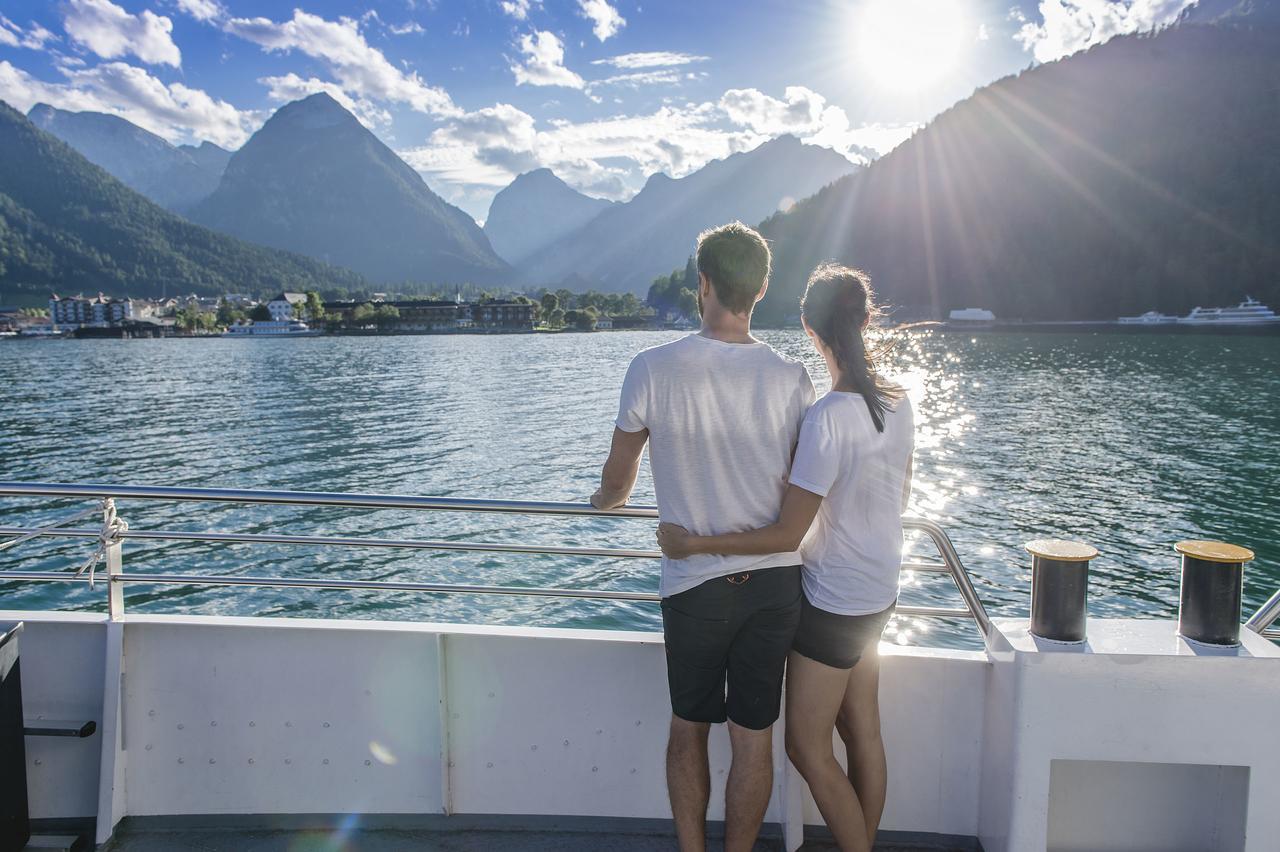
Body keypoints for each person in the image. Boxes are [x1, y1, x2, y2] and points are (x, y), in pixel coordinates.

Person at [657, 263, 913, 852]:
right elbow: (899, 492)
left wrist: (693, 544)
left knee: (806, 746)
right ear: (866, 319)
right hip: (881, 588)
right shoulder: (899, 402)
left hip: (833, 600)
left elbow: (785, 534)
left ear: (807, 326)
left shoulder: (827, 418)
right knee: (862, 731)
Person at [591, 221, 815, 852]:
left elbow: (617, 485)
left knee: (688, 728)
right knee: (753, 739)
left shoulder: (652, 369)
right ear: (762, 288)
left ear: (703, 284)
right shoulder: (793, 378)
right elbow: (806, 485)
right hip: (775, 582)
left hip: (694, 585)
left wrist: (601, 501)